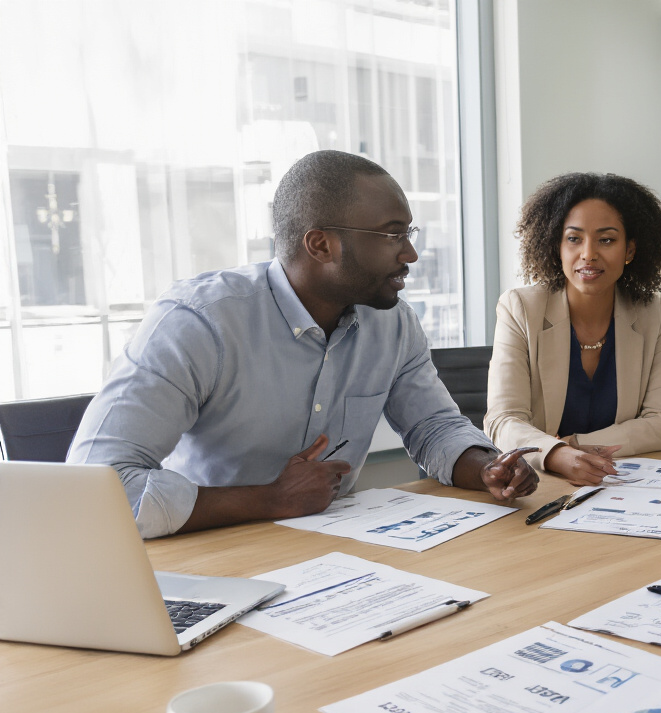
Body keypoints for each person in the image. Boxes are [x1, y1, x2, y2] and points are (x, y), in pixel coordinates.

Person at [69, 150, 537, 539]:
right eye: (393, 234)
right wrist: (268, 499)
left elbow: (433, 427)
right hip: (205, 557)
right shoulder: (197, 323)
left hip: (333, 556)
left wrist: (487, 467)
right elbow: (95, 490)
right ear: (321, 246)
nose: (410, 253)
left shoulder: (393, 324)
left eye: (409, 234)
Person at [485, 172, 661, 485]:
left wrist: (574, 444)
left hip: (616, 482)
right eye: (574, 239)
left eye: (606, 240)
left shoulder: (651, 311)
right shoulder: (521, 308)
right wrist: (556, 454)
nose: (588, 254)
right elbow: (502, 420)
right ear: (557, 246)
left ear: (629, 251)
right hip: (540, 485)